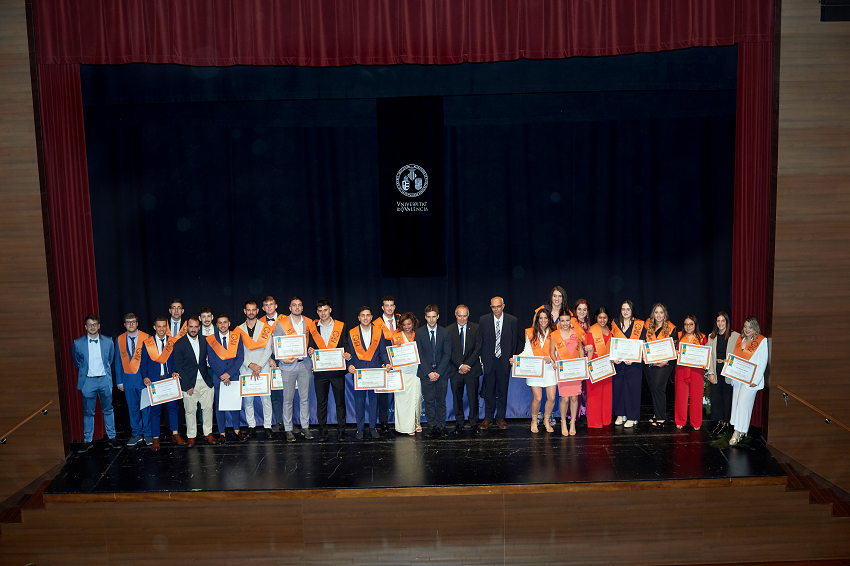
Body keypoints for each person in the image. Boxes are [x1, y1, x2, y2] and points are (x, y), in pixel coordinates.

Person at [72, 315, 121, 453]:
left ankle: (112, 437)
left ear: (99, 326)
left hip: (104, 380)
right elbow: (77, 361)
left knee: (108, 409)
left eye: (94, 324)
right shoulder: (78, 343)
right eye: (90, 324)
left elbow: (110, 359)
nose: (92, 327)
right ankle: (88, 440)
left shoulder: (108, 341)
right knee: (88, 412)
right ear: (85, 327)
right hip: (88, 381)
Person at [306, 299, 351, 441]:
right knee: (321, 403)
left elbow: (345, 343)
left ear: (330, 310)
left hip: (337, 371)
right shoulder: (313, 328)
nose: (323, 313)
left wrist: (348, 354)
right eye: (320, 311)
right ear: (317, 312)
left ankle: (341, 430)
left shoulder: (341, 326)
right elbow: (310, 346)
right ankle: (323, 431)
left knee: (340, 403)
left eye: (325, 310)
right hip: (320, 372)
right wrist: (310, 350)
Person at [271, 296, 314, 442]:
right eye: (294, 305)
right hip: (288, 366)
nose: (297, 307)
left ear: (302, 307)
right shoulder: (282, 323)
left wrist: (311, 348)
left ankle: (305, 427)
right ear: (290, 308)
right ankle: (288, 429)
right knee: (288, 399)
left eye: (299, 305)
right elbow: (275, 344)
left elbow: (314, 341)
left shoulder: (309, 322)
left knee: (305, 398)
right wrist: (282, 359)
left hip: (305, 365)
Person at [347, 306, 391, 439]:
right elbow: (350, 353)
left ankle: (372, 427)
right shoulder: (352, 333)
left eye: (368, 315)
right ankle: (360, 428)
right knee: (359, 402)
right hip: (359, 372)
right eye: (363, 315)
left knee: (374, 401)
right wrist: (350, 365)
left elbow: (383, 351)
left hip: (374, 371)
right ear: (358, 318)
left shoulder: (378, 332)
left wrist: (387, 362)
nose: (365, 318)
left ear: (372, 317)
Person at [140, 316, 183, 450]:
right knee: (155, 410)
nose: (161, 329)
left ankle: (175, 434)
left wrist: (175, 371)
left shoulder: (172, 342)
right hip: (155, 381)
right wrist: (145, 377)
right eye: (159, 326)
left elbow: (176, 361)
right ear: (154, 327)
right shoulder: (147, 343)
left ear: (166, 327)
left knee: (173, 408)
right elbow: (143, 364)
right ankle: (155, 438)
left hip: (170, 380)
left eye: (164, 326)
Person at [172, 317, 217, 446]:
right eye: (191, 327)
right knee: (190, 411)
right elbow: (179, 366)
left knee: (208, 408)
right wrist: (187, 385)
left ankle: (208, 433)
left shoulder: (205, 340)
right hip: (189, 383)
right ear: (187, 328)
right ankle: (191, 435)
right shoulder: (179, 344)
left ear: (199, 327)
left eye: (196, 327)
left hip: (205, 381)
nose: (193, 329)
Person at [512, 309, 557, 433]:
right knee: (537, 398)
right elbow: (526, 351)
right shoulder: (531, 333)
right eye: (540, 318)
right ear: (537, 319)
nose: (543, 320)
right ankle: (534, 420)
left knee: (552, 398)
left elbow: (557, 352)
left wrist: (551, 359)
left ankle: (546, 420)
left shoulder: (554, 333)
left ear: (549, 319)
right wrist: (517, 359)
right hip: (535, 369)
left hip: (549, 369)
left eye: (545, 318)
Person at [236, 300, 275, 439]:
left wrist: (258, 366)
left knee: (266, 399)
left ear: (258, 311)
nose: (251, 312)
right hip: (246, 368)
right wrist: (250, 365)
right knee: (248, 400)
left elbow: (268, 349)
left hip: (263, 368)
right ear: (244, 311)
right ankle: (251, 426)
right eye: (248, 310)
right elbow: (238, 351)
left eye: (253, 310)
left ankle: (267, 426)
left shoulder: (265, 328)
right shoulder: (238, 330)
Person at [479, 296, 519, 430]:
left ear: (503, 306)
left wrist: (511, 357)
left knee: (502, 390)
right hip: (489, 360)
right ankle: (488, 418)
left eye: (498, 306)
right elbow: (481, 341)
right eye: (493, 307)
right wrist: (483, 359)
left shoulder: (512, 320)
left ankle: (500, 417)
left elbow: (514, 341)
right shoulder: (483, 320)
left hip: (504, 360)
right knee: (489, 390)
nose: (496, 309)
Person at [533, 286, 570, 427]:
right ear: (551, 297)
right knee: (541, 386)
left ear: (563, 298)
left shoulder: (567, 313)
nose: (557, 298)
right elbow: (533, 332)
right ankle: (540, 412)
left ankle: (551, 413)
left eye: (560, 296)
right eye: (555, 295)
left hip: (559, 356)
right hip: (541, 356)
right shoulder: (541, 310)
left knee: (554, 387)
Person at [728, 317, 769, 446]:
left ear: (755, 327)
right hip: (738, 377)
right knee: (737, 403)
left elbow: (763, 362)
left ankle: (737, 432)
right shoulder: (740, 339)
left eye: (750, 327)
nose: (747, 329)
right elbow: (736, 357)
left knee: (743, 404)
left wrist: (756, 379)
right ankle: (741, 430)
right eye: (745, 326)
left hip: (751, 379)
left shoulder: (761, 340)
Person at [415, 305, 453, 438]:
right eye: (429, 317)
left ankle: (441, 426)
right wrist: (429, 372)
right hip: (426, 374)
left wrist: (438, 372)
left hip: (441, 373)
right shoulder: (419, 333)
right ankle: (431, 426)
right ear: (425, 317)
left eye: (433, 317)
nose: (431, 320)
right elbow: (419, 354)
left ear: (438, 317)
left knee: (441, 402)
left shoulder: (445, 332)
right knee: (429, 402)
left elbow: (447, 354)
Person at [207, 314, 246, 443]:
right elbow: (211, 360)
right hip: (219, 377)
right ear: (216, 325)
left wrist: (229, 374)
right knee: (220, 406)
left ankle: (236, 430)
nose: (222, 325)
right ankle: (222, 433)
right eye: (220, 323)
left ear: (229, 324)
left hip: (233, 376)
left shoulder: (237, 337)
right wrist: (222, 375)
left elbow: (240, 358)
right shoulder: (211, 340)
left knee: (235, 405)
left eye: (225, 322)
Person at [114, 313, 150, 447]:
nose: (131, 324)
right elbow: (118, 362)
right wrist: (119, 381)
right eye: (128, 322)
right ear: (124, 324)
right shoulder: (119, 339)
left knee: (146, 408)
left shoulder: (147, 337)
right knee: (132, 408)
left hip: (143, 379)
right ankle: (136, 433)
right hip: (128, 380)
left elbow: (150, 360)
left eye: (133, 321)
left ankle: (148, 433)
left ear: (137, 323)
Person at [447, 305, 482, 434]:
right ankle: (459, 423)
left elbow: (478, 348)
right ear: (455, 315)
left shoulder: (476, 328)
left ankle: (474, 422)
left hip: (472, 369)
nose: (462, 319)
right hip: (455, 370)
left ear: (468, 315)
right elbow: (448, 351)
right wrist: (460, 365)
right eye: (459, 316)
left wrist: (466, 365)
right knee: (457, 398)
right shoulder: (448, 330)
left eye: (465, 316)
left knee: (473, 397)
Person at [611, 300, 645, 428]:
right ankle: (620, 414)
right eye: (623, 309)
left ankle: (632, 416)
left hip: (633, 363)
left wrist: (635, 358)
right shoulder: (615, 323)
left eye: (628, 309)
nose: (625, 311)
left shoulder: (639, 325)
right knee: (618, 388)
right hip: (619, 362)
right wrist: (613, 357)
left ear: (632, 311)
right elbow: (611, 342)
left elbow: (643, 343)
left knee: (633, 389)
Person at [645, 303, 678, 427]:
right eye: (656, 312)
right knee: (654, 388)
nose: (658, 315)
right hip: (651, 363)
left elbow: (674, 348)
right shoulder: (648, 326)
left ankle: (662, 418)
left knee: (659, 388)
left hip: (665, 363)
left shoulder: (671, 328)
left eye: (661, 312)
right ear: (653, 314)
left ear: (665, 314)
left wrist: (666, 361)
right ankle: (657, 413)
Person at [550, 314, 584, 436]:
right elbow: (552, 353)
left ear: (571, 321)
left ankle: (573, 422)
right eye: (562, 321)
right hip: (563, 370)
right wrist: (556, 362)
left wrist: (581, 363)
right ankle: (563, 421)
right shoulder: (554, 335)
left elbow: (580, 351)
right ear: (559, 322)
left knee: (574, 398)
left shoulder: (577, 333)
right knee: (564, 399)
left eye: (567, 320)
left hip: (575, 369)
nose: (565, 323)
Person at [390, 312, 423, 435]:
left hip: (415, 370)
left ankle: (416, 422)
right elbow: (392, 355)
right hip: (401, 371)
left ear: (413, 323)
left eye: (409, 324)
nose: (406, 327)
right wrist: (395, 347)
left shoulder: (418, 334)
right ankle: (406, 426)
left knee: (417, 397)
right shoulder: (396, 336)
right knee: (403, 399)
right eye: (404, 324)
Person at [707, 312, 739, 436]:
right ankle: (720, 421)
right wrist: (710, 372)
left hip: (728, 371)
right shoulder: (711, 337)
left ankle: (727, 422)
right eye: (718, 321)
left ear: (727, 322)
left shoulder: (735, 336)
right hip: (716, 369)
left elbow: (740, 354)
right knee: (716, 397)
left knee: (727, 397)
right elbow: (709, 356)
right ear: (716, 323)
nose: (720, 323)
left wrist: (732, 361)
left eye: (723, 320)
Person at [674, 315, 708, 430]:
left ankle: (696, 421)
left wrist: (706, 363)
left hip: (696, 370)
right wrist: (675, 351)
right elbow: (671, 350)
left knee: (697, 396)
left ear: (695, 325)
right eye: (686, 324)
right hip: (681, 369)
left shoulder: (702, 337)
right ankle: (680, 420)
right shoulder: (679, 335)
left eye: (691, 324)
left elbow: (706, 354)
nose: (688, 327)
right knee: (680, 396)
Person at [373, 295, 400, 433]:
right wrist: (382, 362)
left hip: (400, 361)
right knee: (383, 394)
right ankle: (383, 421)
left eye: (391, 305)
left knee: (400, 393)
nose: (389, 308)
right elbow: (374, 345)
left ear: (394, 307)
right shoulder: (375, 324)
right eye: (387, 305)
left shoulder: (401, 322)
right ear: (383, 308)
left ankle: (401, 420)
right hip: (383, 363)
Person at [260, 296, 285, 434]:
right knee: (274, 394)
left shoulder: (286, 320)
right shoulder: (259, 323)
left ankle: (290, 423)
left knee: (288, 393)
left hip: (286, 359)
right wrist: (269, 358)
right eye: (266, 305)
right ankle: (279, 422)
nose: (269, 307)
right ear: (263, 308)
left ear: (276, 306)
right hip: (268, 360)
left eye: (271, 304)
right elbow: (258, 345)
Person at [585, 307, 614, 428]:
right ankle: (595, 421)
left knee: (606, 393)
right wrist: (589, 366)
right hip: (595, 363)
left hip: (607, 364)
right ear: (596, 318)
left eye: (605, 317)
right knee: (595, 394)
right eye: (600, 317)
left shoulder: (610, 330)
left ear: (608, 318)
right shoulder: (592, 330)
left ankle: (605, 419)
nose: (602, 320)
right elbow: (590, 349)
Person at [573, 298, 592, 424]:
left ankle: (583, 412)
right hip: (576, 358)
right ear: (575, 310)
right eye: (579, 309)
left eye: (584, 309)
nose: (582, 312)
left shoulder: (590, 325)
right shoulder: (571, 324)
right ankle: (574, 415)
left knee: (584, 389)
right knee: (576, 389)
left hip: (587, 359)